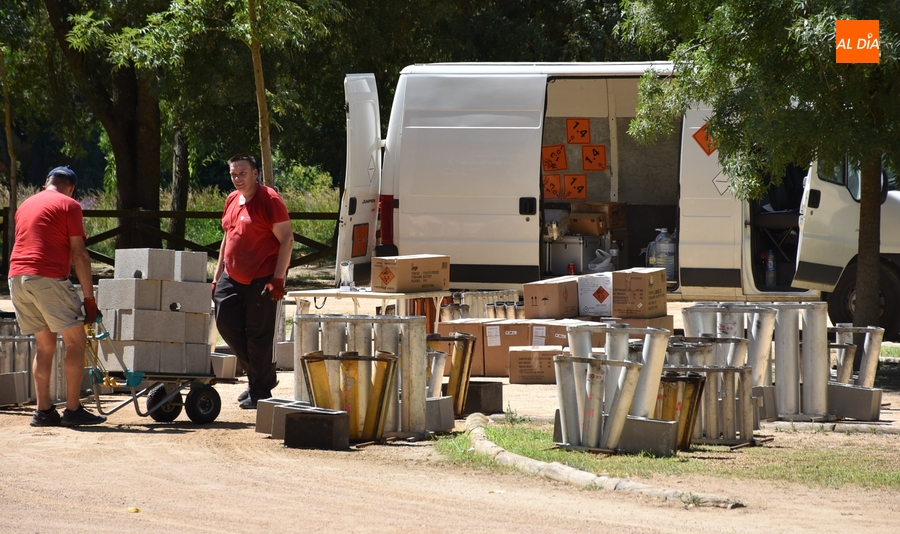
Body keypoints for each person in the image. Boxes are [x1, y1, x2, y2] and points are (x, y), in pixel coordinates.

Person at [8, 166, 106, 427]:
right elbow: (80, 254)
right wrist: (89, 300)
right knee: (76, 340)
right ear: (72, 188)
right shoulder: (69, 205)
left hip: (16, 277)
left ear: (46, 182)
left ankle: (43, 411)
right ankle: (73, 410)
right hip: (46, 277)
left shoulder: (25, 205)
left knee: (44, 345)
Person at [213, 154, 293, 409]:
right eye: (234, 174)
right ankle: (262, 378)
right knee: (226, 325)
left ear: (255, 173)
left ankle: (259, 390)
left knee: (259, 336)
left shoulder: (269, 200)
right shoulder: (231, 200)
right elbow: (227, 238)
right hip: (231, 276)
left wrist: (278, 278)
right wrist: (216, 278)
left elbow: (287, 240)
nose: (238, 179)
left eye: (242, 173)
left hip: (263, 277)